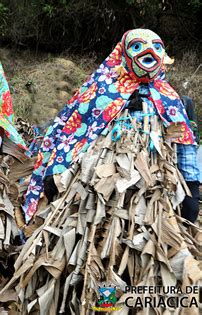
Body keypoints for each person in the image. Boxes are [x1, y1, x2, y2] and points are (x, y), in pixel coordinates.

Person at [23, 29, 198, 222]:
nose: (150, 52)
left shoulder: (171, 99)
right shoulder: (103, 93)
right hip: (99, 193)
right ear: (123, 55)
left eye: (157, 47)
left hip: (154, 198)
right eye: (138, 46)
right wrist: (56, 172)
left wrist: (191, 185)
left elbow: (185, 143)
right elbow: (74, 134)